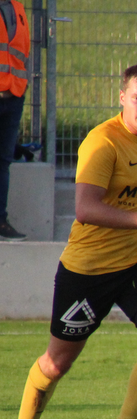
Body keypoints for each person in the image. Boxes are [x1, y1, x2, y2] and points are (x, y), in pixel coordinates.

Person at [6, 63, 137, 419]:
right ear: (122, 98)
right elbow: (85, 209)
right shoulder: (102, 142)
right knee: (57, 364)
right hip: (88, 270)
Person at [0, 0, 29, 241]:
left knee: (3, 161)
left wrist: (20, 87)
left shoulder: (17, 8)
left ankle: (1, 221)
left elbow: (21, 53)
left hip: (13, 95)